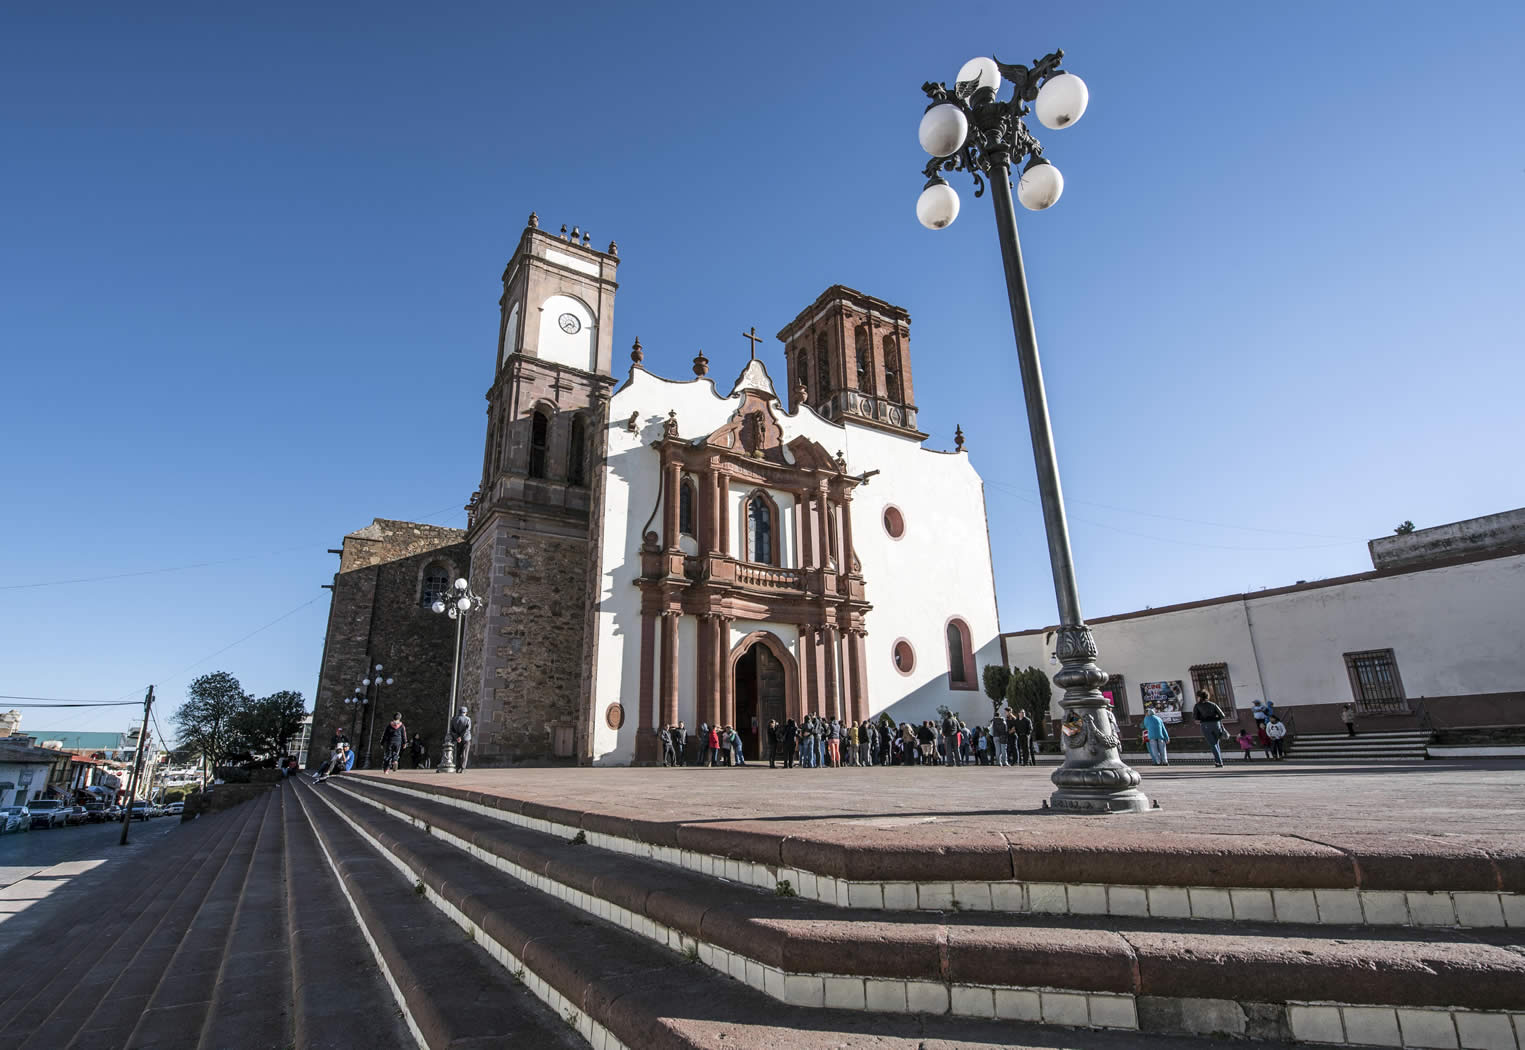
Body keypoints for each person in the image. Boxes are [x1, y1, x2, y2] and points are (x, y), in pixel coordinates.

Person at [1192, 690, 1227, 768]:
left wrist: (1202, 717)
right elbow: (1222, 715)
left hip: (1205, 725)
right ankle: (1219, 761)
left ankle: (1219, 762)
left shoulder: (1197, 705)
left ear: (1199, 697)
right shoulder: (1213, 704)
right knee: (1216, 743)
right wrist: (1215, 717)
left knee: (1212, 744)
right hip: (1216, 725)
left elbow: (1195, 717)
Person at [449, 707, 472, 772]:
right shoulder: (467, 719)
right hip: (466, 738)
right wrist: (461, 737)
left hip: (458, 739)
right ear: (465, 712)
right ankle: (463, 768)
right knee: (465, 753)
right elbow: (467, 729)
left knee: (458, 753)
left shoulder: (454, 719)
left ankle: (457, 767)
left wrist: (457, 737)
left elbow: (452, 730)